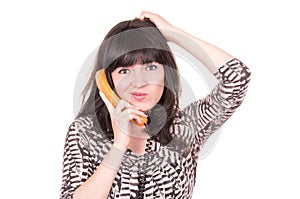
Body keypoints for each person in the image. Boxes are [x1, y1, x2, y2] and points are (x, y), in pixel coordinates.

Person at [60, 11, 251, 199]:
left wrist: (175, 34)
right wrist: (119, 144)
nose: (139, 82)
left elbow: (237, 77)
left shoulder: (184, 129)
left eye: (150, 67)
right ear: (107, 80)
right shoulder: (86, 132)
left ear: (165, 73)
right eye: (124, 71)